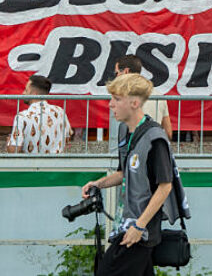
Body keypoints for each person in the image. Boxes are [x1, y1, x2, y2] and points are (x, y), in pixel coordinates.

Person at [80, 73, 187, 276]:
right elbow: (124, 173)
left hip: (140, 231)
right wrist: (98, 183)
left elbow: (165, 186)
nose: (111, 104)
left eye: (117, 99)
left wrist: (139, 225)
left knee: (105, 272)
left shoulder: (155, 138)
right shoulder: (125, 132)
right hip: (127, 224)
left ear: (135, 103)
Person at [5, 75, 72, 154]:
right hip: (57, 164)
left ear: (34, 93)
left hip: (31, 164)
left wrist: (9, 142)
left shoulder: (22, 117)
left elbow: (14, 150)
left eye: (26, 90)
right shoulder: (60, 112)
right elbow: (67, 138)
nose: (23, 93)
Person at [114, 55, 172, 137]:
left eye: (117, 73)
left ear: (126, 71)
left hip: (134, 146)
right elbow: (168, 132)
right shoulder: (159, 95)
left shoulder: (122, 96)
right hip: (154, 144)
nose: (116, 77)